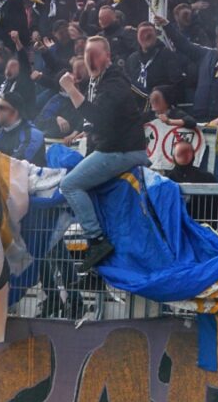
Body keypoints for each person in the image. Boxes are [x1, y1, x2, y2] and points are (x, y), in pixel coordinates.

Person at [56, 35, 149, 270]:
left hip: (121, 150)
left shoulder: (114, 82)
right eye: (87, 54)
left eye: (95, 54)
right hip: (116, 147)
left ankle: (96, 240)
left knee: (69, 185)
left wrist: (70, 90)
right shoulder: (100, 80)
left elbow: (97, 116)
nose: (90, 59)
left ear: (107, 56)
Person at [162, 138, 218, 223]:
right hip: (200, 230)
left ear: (173, 157)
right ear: (193, 156)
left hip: (177, 230)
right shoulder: (208, 179)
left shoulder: (166, 180)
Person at [0, 89, 46, 166]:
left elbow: (18, 161)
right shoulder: (0, 134)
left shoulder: (33, 134)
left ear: (15, 113)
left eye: (1, 108)